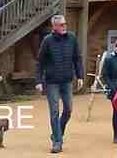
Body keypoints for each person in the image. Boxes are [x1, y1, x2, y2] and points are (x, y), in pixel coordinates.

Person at [36, 14, 84, 154]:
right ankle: (57, 142)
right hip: (52, 82)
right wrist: (39, 81)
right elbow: (40, 62)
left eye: (65, 24)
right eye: (61, 25)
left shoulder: (72, 38)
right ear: (54, 26)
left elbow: (77, 58)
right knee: (54, 111)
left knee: (68, 110)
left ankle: (58, 132)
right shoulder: (47, 41)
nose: (64, 26)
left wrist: (80, 76)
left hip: (67, 80)